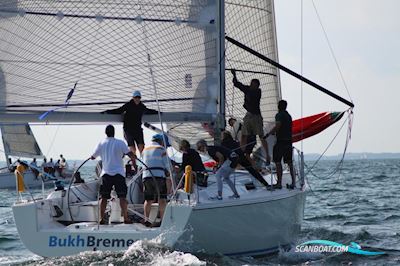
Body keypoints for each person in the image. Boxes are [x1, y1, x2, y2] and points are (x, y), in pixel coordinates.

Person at [91, 124, 135, 224]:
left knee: (104, 197)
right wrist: (134, 157)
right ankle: (126, 218)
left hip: (106, 174)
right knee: (122, 197)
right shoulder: (120, 143)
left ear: (105, 133)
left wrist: (95, 156)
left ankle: (101, 219)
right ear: (114, 132)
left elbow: (93, 157)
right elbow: (129, 154)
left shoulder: (101, 143)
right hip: (119, 173)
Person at [103, 90, 159, 159]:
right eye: (136, 97)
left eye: (138, 97)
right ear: (133, 98)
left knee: (141, 147)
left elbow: (149, 111)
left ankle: (145, 163)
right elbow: (119, 110)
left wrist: (158, 112)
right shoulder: (128, 105)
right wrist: (108, 112)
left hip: (138, 129)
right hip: (128, 130)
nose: (137, 99)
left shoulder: (142, 106)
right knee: (133, 149)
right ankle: (134, 165)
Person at [231, 70, 271, 164]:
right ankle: (240, 153)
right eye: (251, 84)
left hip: (256, 116)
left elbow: (248, 91)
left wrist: (244, 87)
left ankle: (267, 155)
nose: (252, 85)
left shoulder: (257, 92)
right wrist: (234, 75)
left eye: (253, 84)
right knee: (244, 135)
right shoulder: (248, 89)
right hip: (249, 114)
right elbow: (236, 84)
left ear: (257, 86)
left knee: (261, 136)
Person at [141, 133, 172, 225]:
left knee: (148, 199)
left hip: (146, 176)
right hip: (159, 176)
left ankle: (146, 220)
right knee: (162, 198)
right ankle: (162, 220)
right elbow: (168, 166)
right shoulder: (161, 149)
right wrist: (169, 173)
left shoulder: (144, 150)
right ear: (161, 141)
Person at [265, 100, 295, 189]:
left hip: (280, 142)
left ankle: (279, 183)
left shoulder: (279, 115)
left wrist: (269, 133)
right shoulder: (289, 116)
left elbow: (278, 126)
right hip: (289, 141)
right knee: (290, 162)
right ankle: (293, 183)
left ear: (279, 106)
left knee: (278, 162)